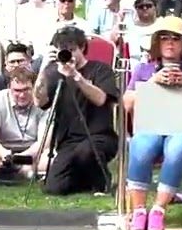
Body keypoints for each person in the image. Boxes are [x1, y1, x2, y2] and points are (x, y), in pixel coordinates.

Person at [123, 17, 182, 230]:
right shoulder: (143, 70)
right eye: (164, 38)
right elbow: (127, 103)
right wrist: (152, 82)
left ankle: (158, 210)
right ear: (157, 43)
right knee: (141, 143)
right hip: (151, 129)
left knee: (177, 146)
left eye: (176, 38)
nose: (170, 42)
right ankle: (139, 211)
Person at [33, 26, 120, 195]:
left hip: (99, 136)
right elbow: (39, 101)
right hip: (68, 141)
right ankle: (84, 180)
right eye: (64, 51)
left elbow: (101, 99)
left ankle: (101, 183)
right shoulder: (53, 73)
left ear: (82, 47)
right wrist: (43, 71)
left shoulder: (100, 69)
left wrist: (76, 76)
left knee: (85, 152)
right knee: (54, 188)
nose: (69, 55)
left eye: (72, 50)